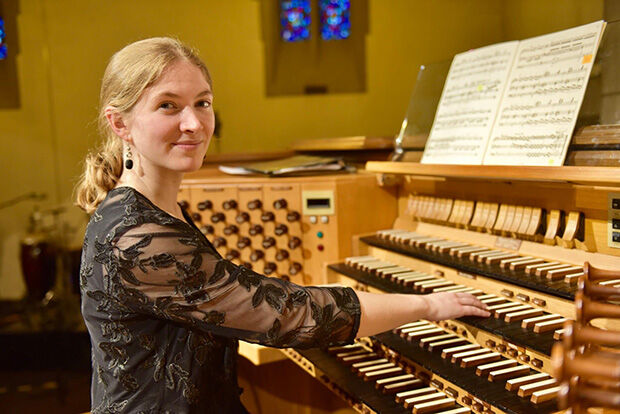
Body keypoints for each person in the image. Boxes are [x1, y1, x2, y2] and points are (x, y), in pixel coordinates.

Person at [75, 37, 490, 414]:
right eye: (169, 105)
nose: (195, 124)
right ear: (120, 124)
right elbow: (289, 315)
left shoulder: (152, 209)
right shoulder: (138, 238)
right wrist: (428, 305)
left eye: (202, 102)